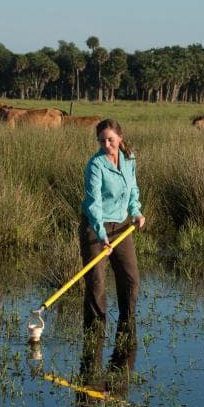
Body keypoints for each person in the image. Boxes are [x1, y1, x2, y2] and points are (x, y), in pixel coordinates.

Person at [79, 119, 145, 381]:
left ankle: (127, 327)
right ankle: (94, 337)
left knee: (130, 280)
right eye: (102, 140)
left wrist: (137, 213)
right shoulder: (95, 165)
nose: (106, 144)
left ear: (120, 136)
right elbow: (94, 204)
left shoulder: (130, 159)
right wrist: (102, 236)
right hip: (96, 228)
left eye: (110, 139)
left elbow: (133, 191)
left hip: (122, 226)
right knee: (96, 284)